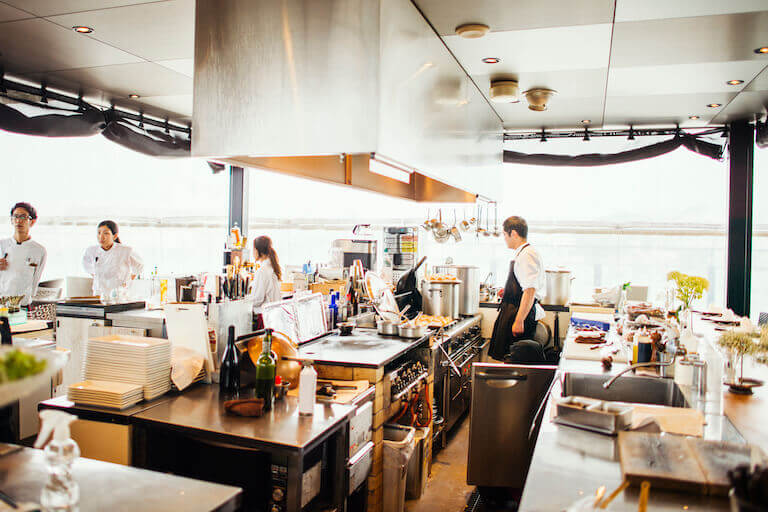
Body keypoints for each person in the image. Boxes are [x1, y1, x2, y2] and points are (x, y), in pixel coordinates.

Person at [489, 216, 546, 361]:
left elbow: (530, 290)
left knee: (515, 358)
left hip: (518, 313)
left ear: (513, 233)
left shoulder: (527, 255)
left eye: (504, 235)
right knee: (509, 357)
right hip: (513, 310)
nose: (504, 239)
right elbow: (523, 286)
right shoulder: (524, 252)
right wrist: (508, 290)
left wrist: (519, 320)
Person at [0, 202, 47, 306]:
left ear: (32, 222)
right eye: (15, 216)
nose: (18, 221)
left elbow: (36, 280)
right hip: (2, 304)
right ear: (11, 220)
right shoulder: (1, 245)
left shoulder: (39, 250)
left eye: (23, 217)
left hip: (23, 305)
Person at [82, 220, 143, 299]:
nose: (101, 237)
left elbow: (139, 266)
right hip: (99, 295)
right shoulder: (91, 251)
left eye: (106, 233)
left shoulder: (126, 250)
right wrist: (98, 278)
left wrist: (128, 281)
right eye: (99, 233)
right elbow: (87, 266)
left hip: (120, 295)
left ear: (115, 236)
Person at [251, 236, 282, 327]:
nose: (253, 253)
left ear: (258, 251)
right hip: (273, 315)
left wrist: (245, 303)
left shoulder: (262, 271)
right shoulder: (271, 267)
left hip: (264, 317)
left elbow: (258, 299)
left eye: (253, 249)